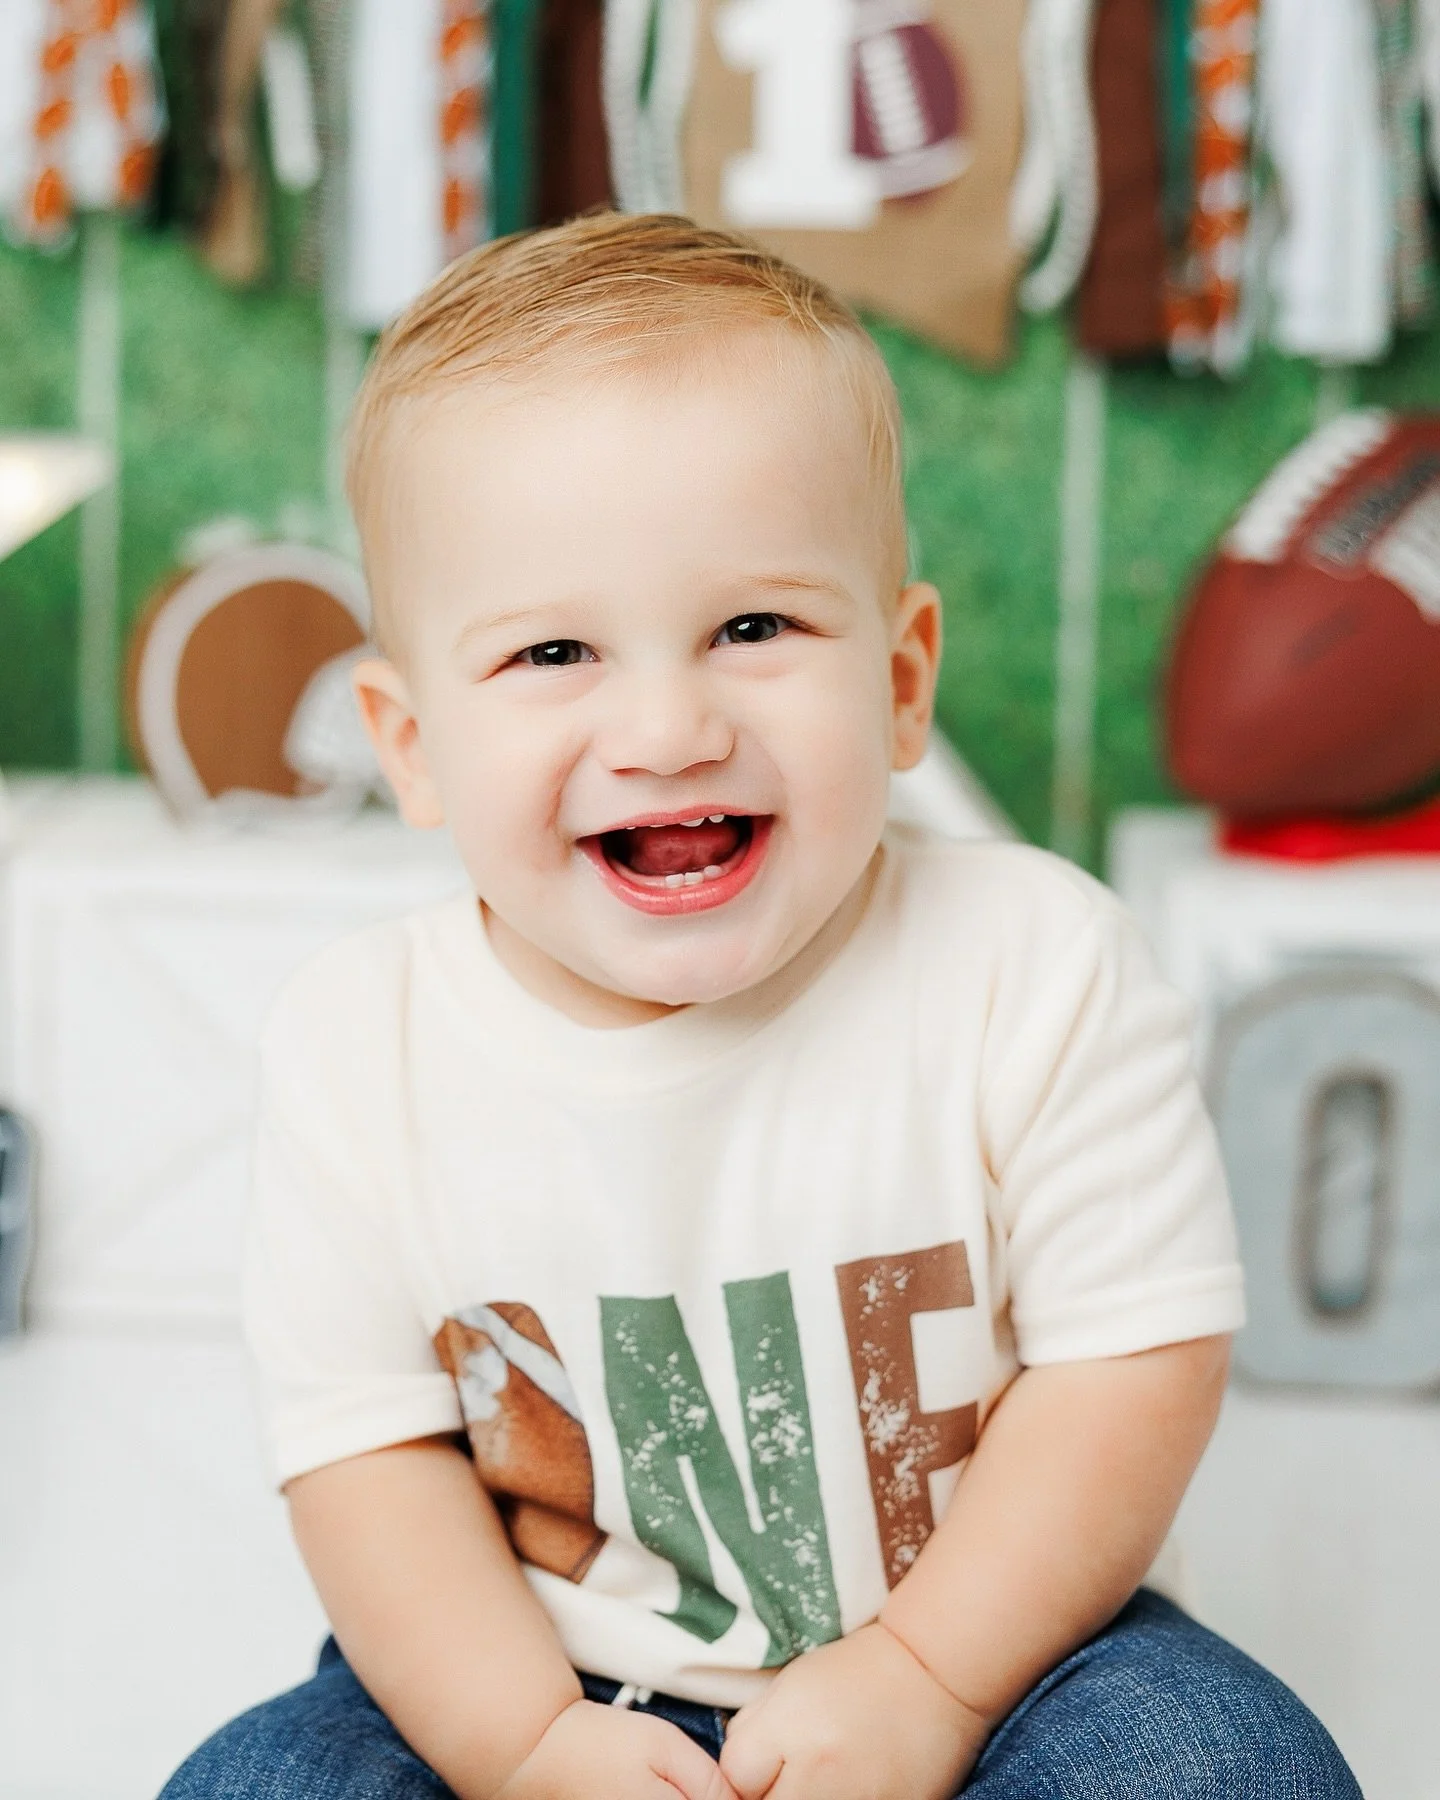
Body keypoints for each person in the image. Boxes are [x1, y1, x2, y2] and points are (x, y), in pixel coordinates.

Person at [160, 212, 1360, 1800]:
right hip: (535, 1669)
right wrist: (522, 1748)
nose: (665, 727)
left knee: (1223, 1767)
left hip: (1002, 1647)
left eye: (755, 627)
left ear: (903, 675)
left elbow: (1131, 1365)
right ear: (413, 744)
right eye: (553, 651)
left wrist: (928, 1677)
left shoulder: (1031, 963)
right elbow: (370, 1465)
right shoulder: (359, 1047)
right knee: (258, 1789)